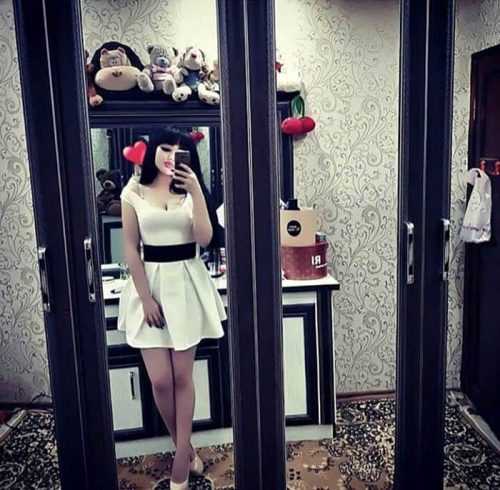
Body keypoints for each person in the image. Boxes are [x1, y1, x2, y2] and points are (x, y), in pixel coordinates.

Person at [117, 128, 226, 490]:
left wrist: (196, 192)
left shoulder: (191, 191)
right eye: (165, 148)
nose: (170, 156)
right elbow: (130, 248)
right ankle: (186, 447)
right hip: (149, 286)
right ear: (153, 150)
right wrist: (145, 298)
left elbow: (205, 239)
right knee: (160, 379)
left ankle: (181, 459)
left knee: (182, 377)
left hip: (187, 284)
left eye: (179, 152)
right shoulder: (133, 191)